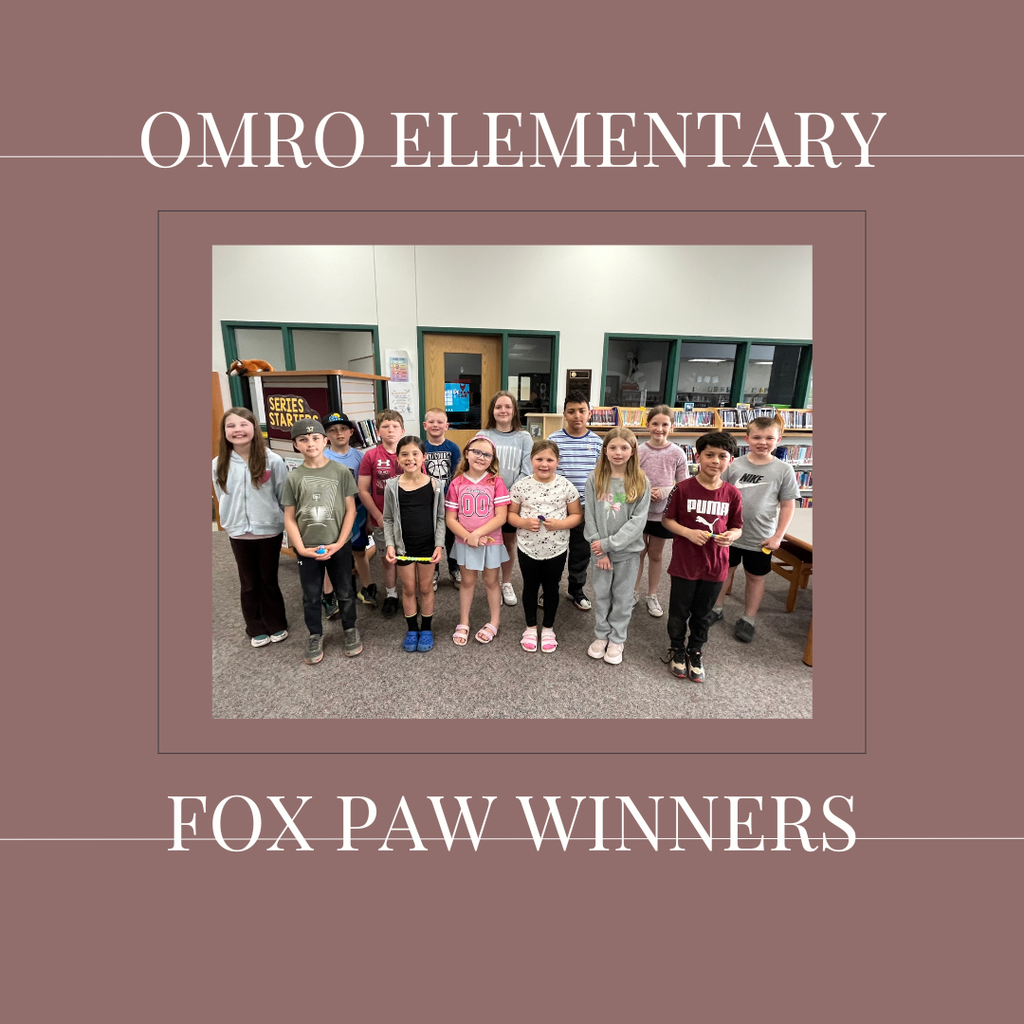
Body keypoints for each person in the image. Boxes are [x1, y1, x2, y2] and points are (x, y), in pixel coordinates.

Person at [662, 431, 743, 683]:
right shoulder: (682, 488)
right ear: (698, 457)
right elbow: (667, 520)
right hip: (685, 563)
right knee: (679, 611)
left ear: (731, 460)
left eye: (722, 456)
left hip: (716, 564)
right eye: (709, 455)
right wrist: (687, 532)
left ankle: (695, 650)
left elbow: (737, 526)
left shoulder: (732, 493)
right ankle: (677, 647)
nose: (715, 461)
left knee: (703, 613)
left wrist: (731, 536)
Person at [282, 417, 362, 665]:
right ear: (296, 444)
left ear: (325, 441)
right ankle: (315, 634)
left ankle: (350, 629)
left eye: (316, 438)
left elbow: (351, 510)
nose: (310, 443)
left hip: (338, 543)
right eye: (303, 439)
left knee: (345, 591)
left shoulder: (340, 472)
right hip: (307, 547)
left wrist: (339, 543)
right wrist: (301, 549)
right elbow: (290, 518)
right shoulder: (293, 477)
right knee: (311, 594)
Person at [712, 415, 799, 642]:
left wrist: (778, 536)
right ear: (746, 438)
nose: (763, 442)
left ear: (778, 439)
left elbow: (788, 505)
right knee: (724, 572)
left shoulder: (784, 470)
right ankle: (716, 608)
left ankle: (748, 618)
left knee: (755, 577)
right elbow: (721, 494)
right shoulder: (735, 465)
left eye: (769, 438)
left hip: (761, 538)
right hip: (729, 534)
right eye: (757, 437)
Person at [213, 407, 290, 648]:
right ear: (224, 431)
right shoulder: (218, 464)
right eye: (231, 426)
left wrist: (278, 519)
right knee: (248, 582)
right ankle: (255, 626)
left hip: (268, 529)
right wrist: (230, 520)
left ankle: (276, 622)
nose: (237, 430)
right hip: (238, 531)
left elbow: (283, 495)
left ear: (254, 428)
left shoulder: (273, 460)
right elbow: (221, 495)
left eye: (243, 424)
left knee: (269, 579)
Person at [507, 440, 583, 653]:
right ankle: (530, 627)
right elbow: (511, 515)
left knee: (552, 587)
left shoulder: (566, 486)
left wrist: (560, 524)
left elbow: (577, 515)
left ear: (557, 462)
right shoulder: (521, 486)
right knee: (530, 586)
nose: (544, 464)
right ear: (531, 460)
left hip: (556, 548)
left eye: (549, 459)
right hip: (527, 547)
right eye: (539, 459)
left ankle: (548, 628)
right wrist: (522, 522)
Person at [583, 427, 651, 666]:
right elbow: (589, 514)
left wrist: (610, 545)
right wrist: (598, 546)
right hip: (598, 552)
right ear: (605, 450)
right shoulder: (596, 478)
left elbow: (637, 521)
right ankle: (601, 635)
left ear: (633, 451)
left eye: (624, 447)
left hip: (627, 554)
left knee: (622, 598)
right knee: (602, 595)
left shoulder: (641, 481)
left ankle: (617, 638)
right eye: (612, 447)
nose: (618, 452)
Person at [445, 434, 510, 646]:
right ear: (467, 453)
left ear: (492, 459)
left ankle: (494, 621)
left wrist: (477, 534)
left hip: (491, 541)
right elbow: (450, 518)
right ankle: (464, 621)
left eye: (487, 454)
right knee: (467, 581)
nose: (481, 457)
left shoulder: (496, 482)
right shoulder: (456, 483)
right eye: (476, 452)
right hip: (465, 543)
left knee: (491, 581)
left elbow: (501, 516)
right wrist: (468, 537)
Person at [383, 436, 447, 653]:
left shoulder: (436, 485)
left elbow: (440, 517)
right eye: (404, 454)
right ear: (398, 458)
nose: (410, 458)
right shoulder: (391, 486)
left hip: (427, 546)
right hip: (403, 548)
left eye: (415, 454)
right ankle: (412, 629)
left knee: (426, 587)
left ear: (424, 457)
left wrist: (439, 545)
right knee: (409, 589)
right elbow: (388, 518)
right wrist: (390, 544)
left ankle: (426, 628)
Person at [358, 409, 420, 619]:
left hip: (410, 519)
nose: (390, 430)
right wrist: (376, 516)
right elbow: (363, 490)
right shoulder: (371, 455)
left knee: (412, 557)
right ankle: (392, 595)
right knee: (388, 559)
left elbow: (423, 485)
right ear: (377, 431)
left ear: (402, 430)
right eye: (385, 426)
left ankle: (411, 593)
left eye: (395, 426)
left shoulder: (412, 453)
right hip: (382, 520)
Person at [547, 390, 604, 612]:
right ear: (564, 414)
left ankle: (576, 589)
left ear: (589, 413)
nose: (577, 416)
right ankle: (549, 588)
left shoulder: (597, 442)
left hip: (585, 509)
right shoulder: (553, 440)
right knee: (553, 550)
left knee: (581, 552)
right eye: (571, 411)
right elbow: (547, 473)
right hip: (559, 509)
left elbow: (601, 476)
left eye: (582, 411)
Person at [477, 391, 533, 607]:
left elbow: (526, 469)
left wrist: (508, 497)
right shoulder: (483, 435)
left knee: (509, 543)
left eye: (507, 407)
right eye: (498, 406)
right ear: (493, 410)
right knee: (489, 541)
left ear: (514, 411)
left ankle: (506, 582)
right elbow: (477, 466)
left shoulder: (524, 437)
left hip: (512, 501)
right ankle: (492, 583)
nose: (503, 410)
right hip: (487, 500)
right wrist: (492, 495)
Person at [634, 405, 691, 617]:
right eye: (655, 424)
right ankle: (633, 592)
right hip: (639, 511)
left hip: (663, 514)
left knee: (656, 554)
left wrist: (666, 491)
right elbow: (630, 480)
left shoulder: (677, 453)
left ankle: (652, 594)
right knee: (638, 553)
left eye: (665, 424)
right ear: (647, 425)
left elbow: (684, 484)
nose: (659, 428)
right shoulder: (639, 451)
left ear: (672, 427)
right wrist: (644, 491)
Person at [322, 412, 377, 615]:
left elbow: (367, 488)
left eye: (343, 429)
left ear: (351, 431)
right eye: (332, 430)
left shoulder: (359, 457)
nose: (339, 433)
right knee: (330, 553)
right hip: (332, 514)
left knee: (359, 550)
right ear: (326, 435)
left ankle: (368, 586)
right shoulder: (323, 457)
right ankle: (328, 594)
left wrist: (370, 517)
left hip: (357, 512)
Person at [421, 407, 462, 590]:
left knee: (451, 538)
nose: (435, 425)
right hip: (428, 503)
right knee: (432, 539)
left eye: (439, 422)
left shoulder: (452, 448)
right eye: (431, 421)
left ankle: (454, 569)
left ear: (447, 425)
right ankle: (434, 571)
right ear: (425, 425)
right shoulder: (421, 448)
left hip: (449, 502)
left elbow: (458, 474)